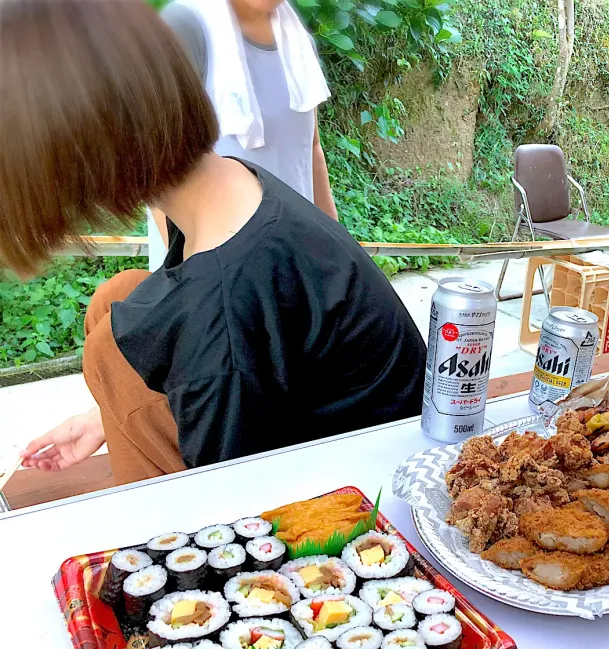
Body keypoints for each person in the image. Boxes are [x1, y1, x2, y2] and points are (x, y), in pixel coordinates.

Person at [3, 0, 426, 482]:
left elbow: (231, 506)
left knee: (111, 352)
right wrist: (105, 419)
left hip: (359, 476)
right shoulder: (233, 186)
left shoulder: (221, 306)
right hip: (314, 403)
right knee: (115, 297)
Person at [147, 0, 338, 270]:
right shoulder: (185, 26)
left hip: (295, 268)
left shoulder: (296, 39)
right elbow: (152, 167)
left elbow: (310, 150)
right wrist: (194, 282)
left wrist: (337, 253)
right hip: (218, 280)